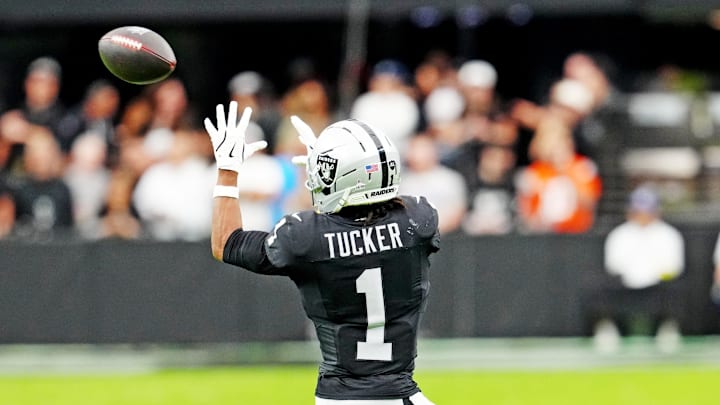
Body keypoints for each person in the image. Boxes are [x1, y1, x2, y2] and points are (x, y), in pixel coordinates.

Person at [205, 101, 438, 404]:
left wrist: (227, 172)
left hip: (337, 398)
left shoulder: (305, 237)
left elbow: (226, 243)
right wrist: (343, 170)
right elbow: (371, 221)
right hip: (398, 392)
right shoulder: (418, 220)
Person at [589, 184, 685, 352]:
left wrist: (651, 275)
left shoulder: (669, 234)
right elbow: (613, 266)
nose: (642, 216)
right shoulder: (620, 234)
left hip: (657, 285)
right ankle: (608, 330)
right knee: (599, 287)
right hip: (626, 285)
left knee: (675, 289)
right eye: (638, 211)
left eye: (646, 211)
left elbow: (674, 267)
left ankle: (668, 331)